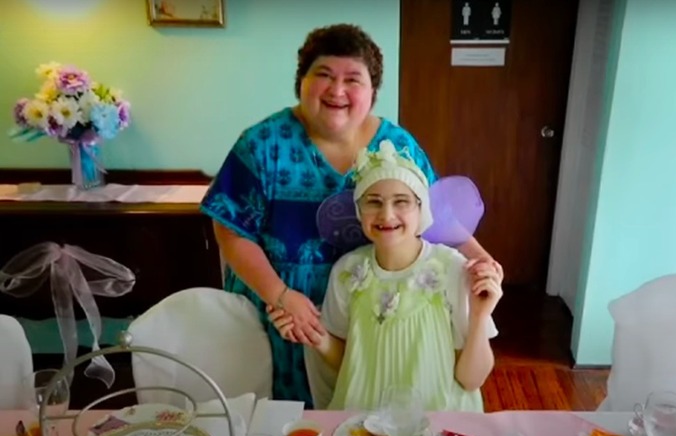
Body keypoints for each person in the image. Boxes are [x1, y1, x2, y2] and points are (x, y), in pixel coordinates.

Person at [200, 23, 502, 407]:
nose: (337, 90)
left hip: (370, 316)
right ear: (301, 82)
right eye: (323, 75)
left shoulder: (396, 144)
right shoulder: (262, 144)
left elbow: (433, 213)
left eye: (352, 79)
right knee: (283, 415)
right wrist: (280, 294)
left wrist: (481, 260)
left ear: (372, 92)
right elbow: (230, 228)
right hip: (283, 312)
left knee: (364, 402)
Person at [271, 142, 502, 412]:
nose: (387, 214)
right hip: (362, 419)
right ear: (359, 211)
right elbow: (348, 363)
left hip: (435, 420)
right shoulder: (347, 271)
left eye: (401, 202)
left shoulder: (451, 268)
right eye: (374, 202)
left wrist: (478, 317)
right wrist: (314, 335)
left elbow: (471, 380)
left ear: (421, 210)